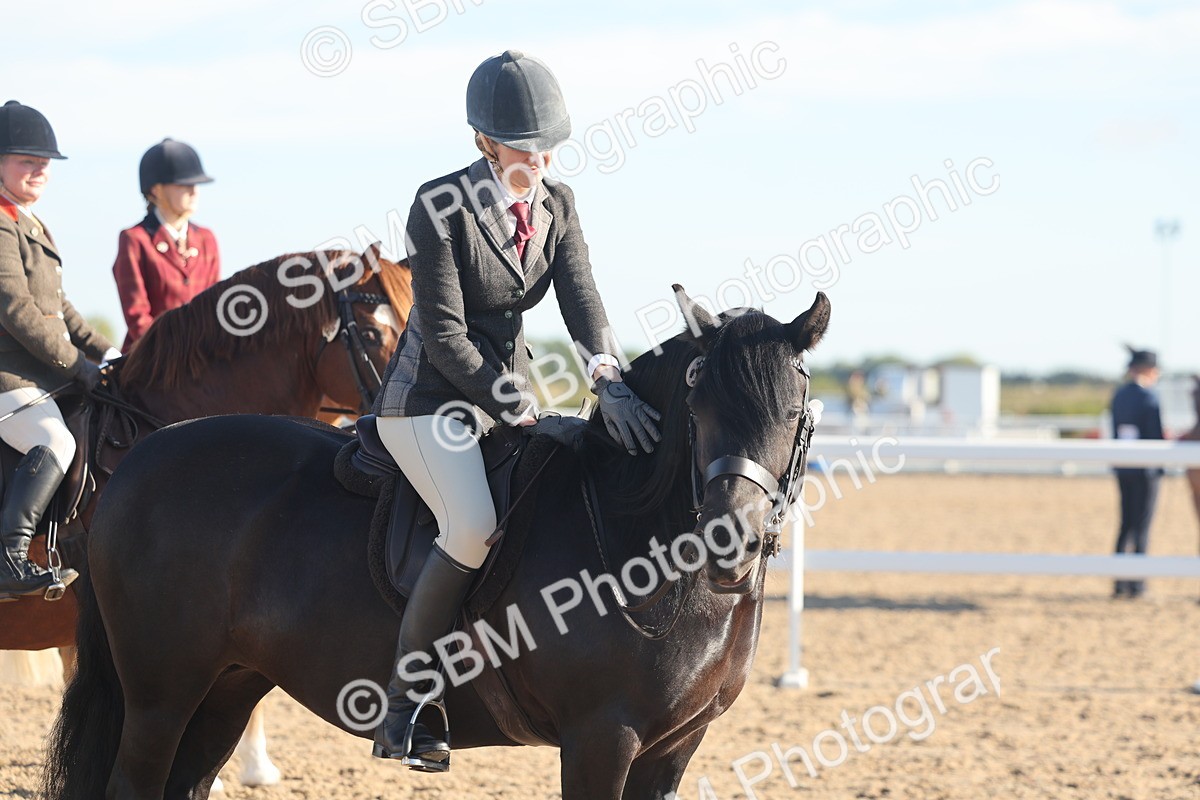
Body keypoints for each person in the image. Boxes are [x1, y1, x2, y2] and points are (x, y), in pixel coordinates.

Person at [369, 50, 661, 768]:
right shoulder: (439, 204)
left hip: (511, 397)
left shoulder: (558, 205)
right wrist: (508, 397)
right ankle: (407, 704)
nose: (541, 158)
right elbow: (440, 331)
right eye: (526, 146)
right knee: (472, 527)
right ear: (485, 142)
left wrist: (605, 375)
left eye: (549, 145)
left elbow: (582, 297)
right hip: (428, 400)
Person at [0, 100, 120, 599]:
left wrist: (108, 353)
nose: (40, 168)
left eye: (45, 161)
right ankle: (8, 558)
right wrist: (77, 366)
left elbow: (59, 307)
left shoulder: (31, 222)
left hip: (40, 377)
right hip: (9, 379)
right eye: (27, 159)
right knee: (58, 442)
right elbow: (16, 310)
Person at [112, 138, 219, 351]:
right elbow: (137, 315)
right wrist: (176, 352)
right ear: (155, 191)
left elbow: (215, 305)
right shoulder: (134, 239)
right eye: (183, 185)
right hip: (153, 358)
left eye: (195, 184)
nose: (194, 191)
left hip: (203, 357)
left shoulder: (207, 239)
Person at [1110, 346, 1164, 599]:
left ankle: (1119, 582)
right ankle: (1137, 585)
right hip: (1145, 470)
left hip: (1123, 466)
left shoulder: (1119, 395)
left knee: (1125, 524)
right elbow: (1156, 436)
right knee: (1142, 526)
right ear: (1147, 370)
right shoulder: (1149, 398)